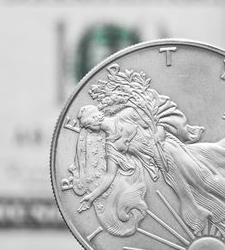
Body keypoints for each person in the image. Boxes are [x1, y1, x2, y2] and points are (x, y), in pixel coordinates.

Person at [69, 65, 225, 237]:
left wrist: (159, 131)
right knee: (189, 192)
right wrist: (92, 196)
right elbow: (109, 175)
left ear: (96, 116)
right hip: (161, 165)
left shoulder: (126, 115)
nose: (89, 129)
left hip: (168, 149)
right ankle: (206, 215)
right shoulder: (111, 146)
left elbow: (156, 120)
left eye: (88, 123)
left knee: (202, 178)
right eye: (87, 127)